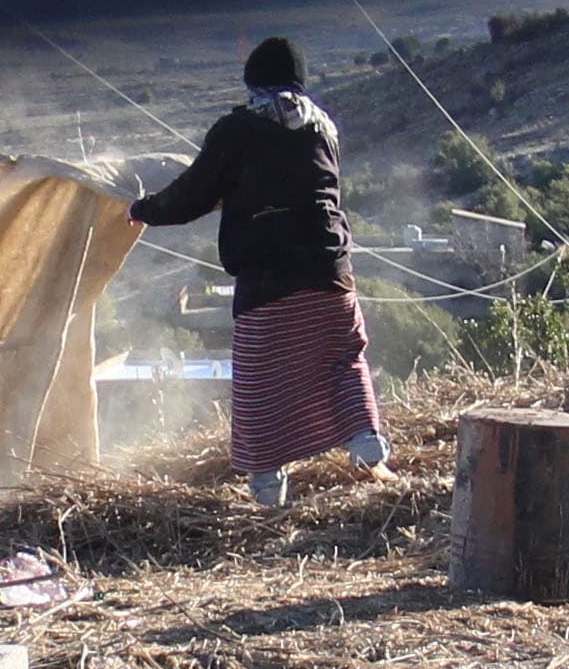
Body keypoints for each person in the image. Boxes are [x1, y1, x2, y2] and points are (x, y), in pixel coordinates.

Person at [128, 36, 390, 505]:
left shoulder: (236, 130)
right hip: (332, 270)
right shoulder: (324, 129)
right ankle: (367, 443)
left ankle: (268, 488)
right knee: (343, 359)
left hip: (267, 279)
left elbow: (193, 195)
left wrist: (142, 210)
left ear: (253, 85)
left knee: (258, 381)